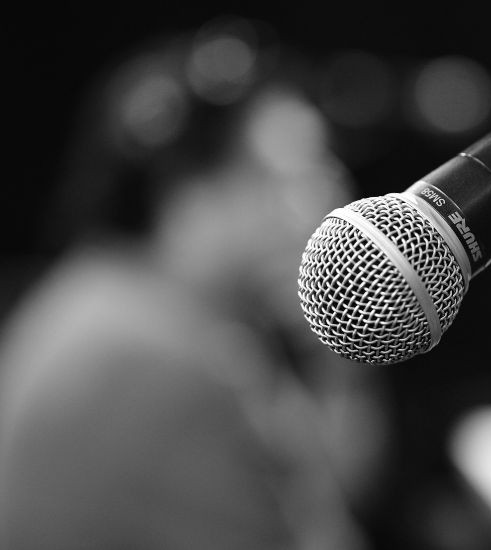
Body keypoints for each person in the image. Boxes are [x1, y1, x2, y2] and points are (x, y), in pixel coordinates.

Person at [0, 16, 388, 550]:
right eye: (293, 180)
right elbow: (316, 531)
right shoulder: (156, 361)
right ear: (189, 192)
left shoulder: (115, 300)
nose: (324, 212)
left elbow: (331, 488)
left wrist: (331, 344)